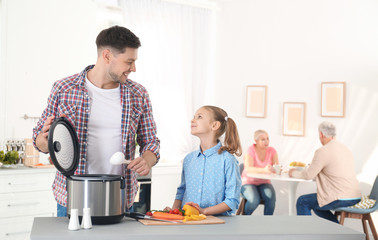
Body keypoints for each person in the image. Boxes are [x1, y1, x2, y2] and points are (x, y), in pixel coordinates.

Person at [32, 26, 160, 217]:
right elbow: (39, 141)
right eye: (129, 61)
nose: (133, 68)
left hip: (119, 197)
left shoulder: (138, 94)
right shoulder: (64, 89)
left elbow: (151, 142)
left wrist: (146, 161)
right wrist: (45, 142)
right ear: (107, 56)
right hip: (72, 196)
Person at [165, 106, 242, 216]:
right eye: (194, 117)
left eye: (199, 117)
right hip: (188, 222)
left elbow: (232, 200)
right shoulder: (189, 159)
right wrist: (173, 211)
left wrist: (204, 211)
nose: (193, 120)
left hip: (217, 224)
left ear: (214, 125)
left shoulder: (227, 160)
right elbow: (181, 192)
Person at [289, 121, 361, 223]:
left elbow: (308, 175)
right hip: (355, 196)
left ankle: (306, 235)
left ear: (320, 134)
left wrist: (293, 173)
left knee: (303, 201)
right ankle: (337, 231)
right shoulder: (345, 149)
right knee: (317, 205)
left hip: (340, 197)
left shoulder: (323, 151)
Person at [240, 130, 278, 215]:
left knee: (271, 198)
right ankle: (244, 219)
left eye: (267, 139)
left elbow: (276, 167)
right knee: (254, 200)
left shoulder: (272, 151)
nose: (266, 141)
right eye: (263, 139)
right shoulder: (250, 150)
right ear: (256, 141)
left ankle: (267, 223)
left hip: (264, 182)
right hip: (248, 182)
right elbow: (248, 168)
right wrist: (264, 170)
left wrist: (274, 169)